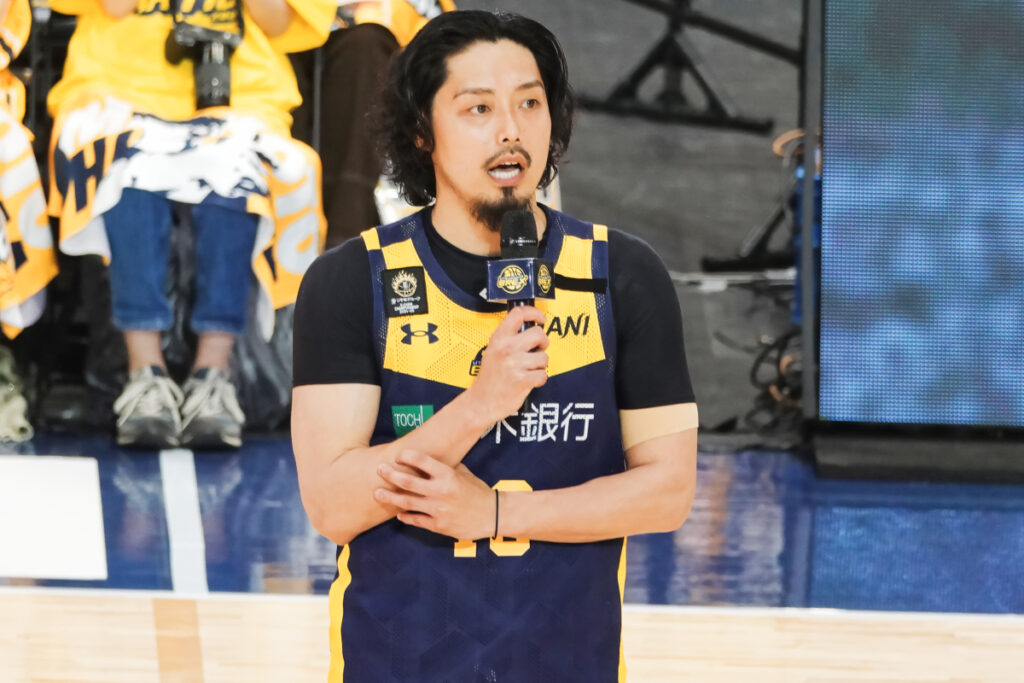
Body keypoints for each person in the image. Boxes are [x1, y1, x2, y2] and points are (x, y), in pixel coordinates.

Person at [291, 10, 698, 681]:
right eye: (478, 108)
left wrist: (496, 513)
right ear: (421, 131)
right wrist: (481, 404)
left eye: (529, 104)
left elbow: (668, 492)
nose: (511, 129)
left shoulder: (622, 275)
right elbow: (335, 506)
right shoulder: (351, 281)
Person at [46, 0, 335, 448]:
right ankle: (145, 377)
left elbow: (278, 23)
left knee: (238, 173)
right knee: (125, 167)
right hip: (117, 89)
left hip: (241, 97)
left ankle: (212, 378)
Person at [289, 0, 455, 248]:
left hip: (382, 59)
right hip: (281, 55)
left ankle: (346, 239)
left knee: (367, 46)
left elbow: (445, 43)